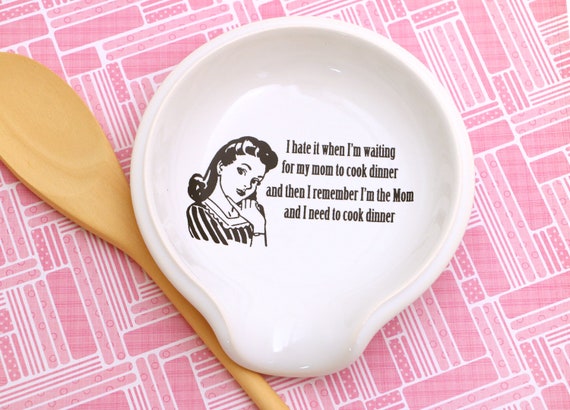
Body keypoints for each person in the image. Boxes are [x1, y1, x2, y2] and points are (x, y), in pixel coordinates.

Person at [186, 136, 278, 246]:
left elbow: (261, 255)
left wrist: (258, 225)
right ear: (220, 167)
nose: (248, 185)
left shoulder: (255, 213)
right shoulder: (198, 211)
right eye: (241, 171)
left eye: (255, 181)